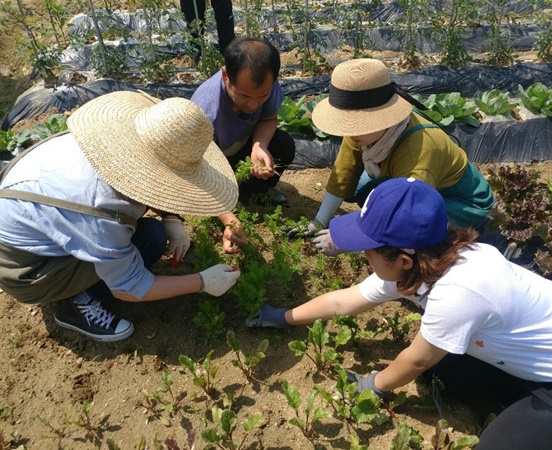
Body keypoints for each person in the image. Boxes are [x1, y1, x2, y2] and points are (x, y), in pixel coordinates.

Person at [249, 177, 552, 449]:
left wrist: (373, 385)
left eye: (368, 253)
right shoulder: (425, 262)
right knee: (445, 376)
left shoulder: (459, 292)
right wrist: (283, 316)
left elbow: (416, 359)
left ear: (403, 259)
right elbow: (344, 301)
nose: (363, 259)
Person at [0, 91, 242, 342]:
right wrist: (202, 281)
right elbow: (131, 287)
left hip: (26, 221)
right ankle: (75, 306)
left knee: (151, 233)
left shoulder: (103, 142)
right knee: (150, 241)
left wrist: (172, 218)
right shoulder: (103, 209)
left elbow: (146, 182)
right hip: (26, 269)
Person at [295, 58, 494, 256]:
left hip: (460, 201)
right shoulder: (360, 134)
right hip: (406, 181)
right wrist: (318, 221)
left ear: (381, 119)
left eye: (355, 123)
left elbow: (408, 215)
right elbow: (343, 176)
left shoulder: (418, 151)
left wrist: (348, 242)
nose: (349, 131)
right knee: (362, 192)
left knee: (418, 240)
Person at [191, 36, 296, 206]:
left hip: (240, 146)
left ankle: (254, 188)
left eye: (262, 96)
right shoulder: (206, 109)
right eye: (244, 96)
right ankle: (225, 196)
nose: (253, 104)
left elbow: (269, 119)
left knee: (283, 145)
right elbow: (198, 164)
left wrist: (258, 147)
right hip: (209, 160)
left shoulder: (266, 83)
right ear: (225, 76)